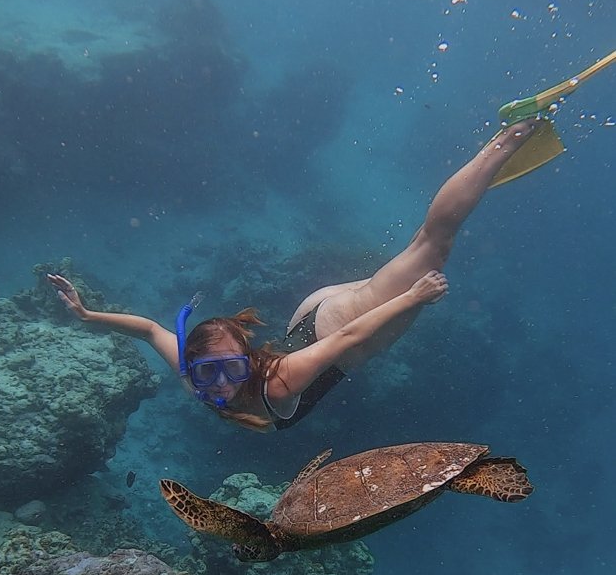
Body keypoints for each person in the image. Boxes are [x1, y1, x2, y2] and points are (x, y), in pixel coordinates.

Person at [48, 119, 535, 432]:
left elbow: (347, 338)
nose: (220, 385)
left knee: (432, 246)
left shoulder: (278, 385)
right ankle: (485, 166)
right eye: (208, 372)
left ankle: (506, 141)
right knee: (416, 249)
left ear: (248, 361)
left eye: (231, 369)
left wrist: (413, 297)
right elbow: (149, 329)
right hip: (309, 318)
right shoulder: (195, 374)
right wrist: (88, 316)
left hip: (338, 328)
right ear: (191, 366)